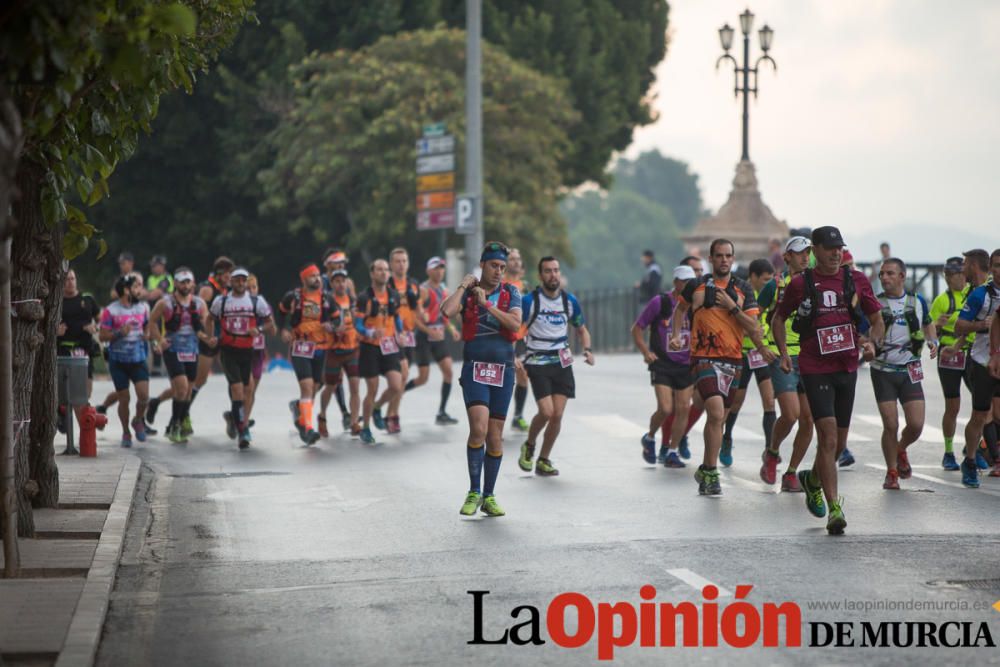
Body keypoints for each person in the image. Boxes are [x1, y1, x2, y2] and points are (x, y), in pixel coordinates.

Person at [772, 226, 884, 534]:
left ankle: (812, 479)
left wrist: (873, 343)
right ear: (815, 251)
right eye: (829, 248)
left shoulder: (856, 280)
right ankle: (835, 508)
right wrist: (783, 353)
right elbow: (778, 318)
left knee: (838, 445)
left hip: (846, 367)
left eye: (840, 248)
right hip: (814, 367)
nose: (836, 253)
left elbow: (877, 320)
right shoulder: (801, 284)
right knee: (828, 437)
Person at [669, 239, 774, 496]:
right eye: (719, 256)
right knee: (715, 412)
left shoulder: (743, 289)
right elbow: (680, 309)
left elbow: (752, 327)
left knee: (721, 418)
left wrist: (732, 307)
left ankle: (706, 467)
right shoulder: (696, 285)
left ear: (733, 259)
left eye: (728, 256)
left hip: (733, 360)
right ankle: (713, 471)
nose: (724, 260)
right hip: (703, 358)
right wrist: (675, 333)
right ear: (711, 259)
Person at [440, 241, 522, 517]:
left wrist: (487, 306)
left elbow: (514, 325)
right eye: (494, 266)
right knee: (479, 427)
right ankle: (474, 490)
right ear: (483, 265)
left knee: (495, 436)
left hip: (503, 369)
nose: (499, 271)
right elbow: (446, 311)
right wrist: (464, 286)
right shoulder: (470, 291)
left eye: (502, 267)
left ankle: (489, 495)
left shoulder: (512, 293)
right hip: (475, 368)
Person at [516, 256, 594, 476]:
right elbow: (515, 328)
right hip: (537, 361)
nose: (553, 275)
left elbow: (581, 329)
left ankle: (543, 459)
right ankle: (530, 444)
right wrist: (514, 355)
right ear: (541, 276)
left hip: (562, 361)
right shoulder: (529, 301)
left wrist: (587, 350)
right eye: (548, 271)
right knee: (547, 412)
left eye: (556, 270)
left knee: (557, 415)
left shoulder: (569, 301)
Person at [871, 258, 938, 489]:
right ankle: (891, 472)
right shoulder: (874, 304)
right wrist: (867, 345)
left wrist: (933, 341)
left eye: (890, 273)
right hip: (883, 370)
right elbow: (859, 331)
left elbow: (928, 324)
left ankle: (900, 448)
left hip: (910, 370)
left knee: (917, 425)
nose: (885, 278)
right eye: (882, 274)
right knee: (890, 424)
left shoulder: (917, 301)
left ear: (902, 276)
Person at [759, 236, 814, 492]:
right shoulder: (775, 286)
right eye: (800, 253)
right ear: (787, 256)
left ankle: (791, 472)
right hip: (783, 358)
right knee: (790, 414)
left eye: (808, 253)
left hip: (810, 357)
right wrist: (765, 347)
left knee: (808, 420)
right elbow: (754, 316)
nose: (805, 257)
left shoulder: (814, 284)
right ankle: (772, 452)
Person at [632, 265, 695, 469]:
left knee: (684, 408)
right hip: (662, 364)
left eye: (691, 282)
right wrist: (646, 352)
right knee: (666, 408)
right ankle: (650, 437)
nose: (688, 285)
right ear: (676, 282)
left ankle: (672, 451)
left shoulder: (697, 304)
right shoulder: (661, 302)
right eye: (684, 282)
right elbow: (637, 329)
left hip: (686, 364)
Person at [205, 267, 276, 449]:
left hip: (248, 351)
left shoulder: (256, 301)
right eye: (237, 280)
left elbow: (270, 324)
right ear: (231, 282)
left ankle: (237, 421)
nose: (240, 283)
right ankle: (242, 430)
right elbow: (209, 319)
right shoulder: (222, 301)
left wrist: (258, 330)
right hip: (228, 351)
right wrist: (210, 337)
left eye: (243, 280)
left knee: (249, 389)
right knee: (237, 391)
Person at [721, 259, 777, 467]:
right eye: (764, 279)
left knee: (770, 402)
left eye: (771, 279)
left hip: (762, 353)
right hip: (742, 354)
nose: (767, 283)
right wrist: (751, 330)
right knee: (736, 401)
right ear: (752, 276)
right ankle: (726, 438)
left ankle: (770, 450)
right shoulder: (741, 293)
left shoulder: (770, 294)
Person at [279, 264, 340, 445]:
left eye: (318, 276)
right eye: (312, 276)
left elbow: (337, 318)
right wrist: (284, 330)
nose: (317, 279)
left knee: (315, 386)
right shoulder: (293, 297)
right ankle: (307, 428)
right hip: (301, 346)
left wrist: (333, 325)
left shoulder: (327, 298)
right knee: (306, 387)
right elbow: (281, 312)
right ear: (304, 280)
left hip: (320, 347)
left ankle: (299, 408)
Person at [147, 268, 208, 444]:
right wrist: (159, 340)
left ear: (193, 284)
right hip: (173, 349)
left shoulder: (199, 304)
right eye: (182, 282)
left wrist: (208, 338)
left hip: (192, 350)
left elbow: (203, 327)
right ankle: (174, 426)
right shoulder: (165, 303)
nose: (186, 285)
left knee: (187, 391)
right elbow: (152, 322)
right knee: (181, 388)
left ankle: (177, 423)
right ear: (176, 283)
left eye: (189, 282)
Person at [955, 248, 1000, 487]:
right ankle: (970, 459)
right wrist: (984, 324)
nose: (999, 271)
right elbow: (959, 326)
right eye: (997, 266)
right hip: (982, 361)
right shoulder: (980, 295)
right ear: (990, 268)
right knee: (980, 416)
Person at [354, 259, 404, 445]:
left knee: (396, 385)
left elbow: (396, 317)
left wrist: (401, 333)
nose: (384, 273)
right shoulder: (364, 297)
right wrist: (370, 332)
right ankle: (365, 427)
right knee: (372, 388)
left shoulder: (393, 295)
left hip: (389, 345)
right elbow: (357, 324)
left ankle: (377, 408)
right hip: (370, 346)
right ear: (372, 274)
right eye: (379, 270)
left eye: (386, 270)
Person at [929, 257, 973, 471]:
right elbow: (926, 332)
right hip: (949, 356)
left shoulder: (971, 295)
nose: (957, 279)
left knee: (983, 405)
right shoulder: (941, 301)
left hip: (971, 353)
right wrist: (936, 325)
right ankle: (948, 452)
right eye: (951, 275)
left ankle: (977, 446)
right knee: (953, 406)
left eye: (959, 274)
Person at [372, 248, 422, 434]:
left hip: (409, 335)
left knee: (404, 377)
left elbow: (417, 310)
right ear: (391, 264)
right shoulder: (388, 285)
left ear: (408, 263)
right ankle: (390, 415)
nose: (401, 264)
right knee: (402, 373)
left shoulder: (413, 285)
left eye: (404, 261)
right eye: (397, 261)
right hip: (391, 335)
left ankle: (391, 413)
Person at [407, 256, 461, 425]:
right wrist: (429, 329)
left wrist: (452, 329)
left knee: (449, 372)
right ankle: (398, 391)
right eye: (436, 268)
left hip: (438, 337)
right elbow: (414, 318)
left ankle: (441, 412)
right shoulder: (423, 290)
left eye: (442, 268)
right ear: (428, 271)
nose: (439, 271)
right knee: (423, 378)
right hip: (424, 336)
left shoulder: (444, 289)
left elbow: (444, 316)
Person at [99, 274, 151, 447]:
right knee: (124, 398)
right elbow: (102, 335)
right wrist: (120, 333)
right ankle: (126, 432)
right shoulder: (111, 310)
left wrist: (148, 336)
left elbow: (148, 328)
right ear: (126, 290)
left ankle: (138, 420)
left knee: (144, 396)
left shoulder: (143, 308)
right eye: (136, 287)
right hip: (118, 361)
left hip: (138, 359)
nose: (140, 291)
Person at [189, 256, 234, 425]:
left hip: (222, 337)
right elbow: (199, 315)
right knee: (200, 380)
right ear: (219, 274)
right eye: (228, 274)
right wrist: (206, 337)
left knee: (233, 377)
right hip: (207, 339)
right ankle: (182, 414)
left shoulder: (225, 289)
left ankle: (235, 414)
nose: (230, 278)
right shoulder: (207, 289)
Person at [57, 269, 101, 432]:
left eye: (73, 278)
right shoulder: (58, 302)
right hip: (64, 350)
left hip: (84, 350)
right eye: (67, 279)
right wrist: (55, 331)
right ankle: (63, 414)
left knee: (85, 394)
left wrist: (96, 327)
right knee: (70, 394)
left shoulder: (87, 299)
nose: (70, 282)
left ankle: (83, 431)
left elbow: (101, 319)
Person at [319, 269, 361, 436]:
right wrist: (331, 327)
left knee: (355, 387)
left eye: (343, 280)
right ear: (331, 283)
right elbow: (321, 323)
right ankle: (322, 416)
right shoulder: (327, 301)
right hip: (334, 351)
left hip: (352, 349)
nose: (341, 284)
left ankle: (354, 422)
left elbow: (358, 321)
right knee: (330, 386)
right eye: (337, 281)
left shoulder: (351, 300)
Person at [506, 248, 532, 432]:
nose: (515, 262)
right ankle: (495, 418)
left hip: (523, 338)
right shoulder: (500, 284)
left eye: (518, 259)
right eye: (512, 259)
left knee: (523, 376)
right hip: (505, 337)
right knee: (505, 378)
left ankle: (518, 415)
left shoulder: (526, 286)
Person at [244, 273, 267, 432]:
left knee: (252, 391)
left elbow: (271, 326)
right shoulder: (238, 304)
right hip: (242, 351)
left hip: (258, 352)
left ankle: (243, 418)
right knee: (246, 389)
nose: (252, 290)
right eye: (248, 288)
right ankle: (243, 423)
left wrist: (259, 329)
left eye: (254, 287)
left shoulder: (262, 303)